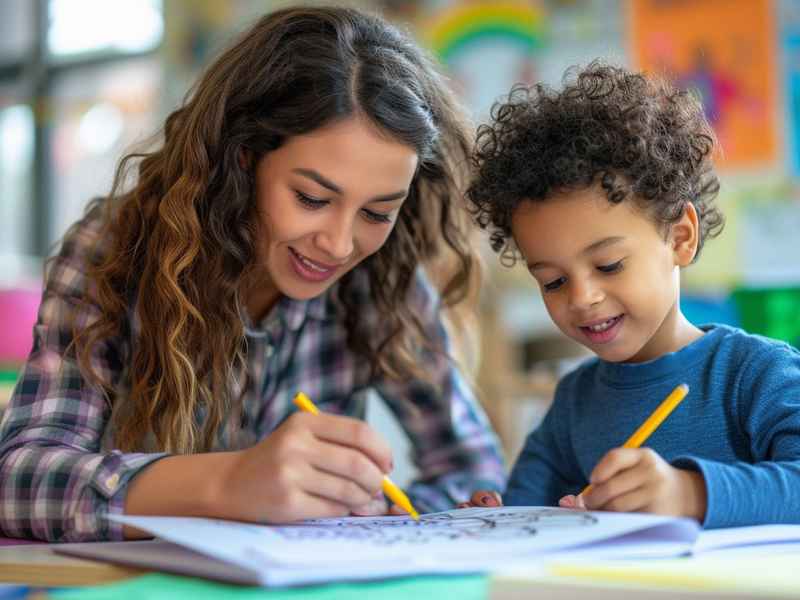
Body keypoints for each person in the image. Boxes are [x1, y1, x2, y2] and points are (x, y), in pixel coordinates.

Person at [0, 6, 505, 543]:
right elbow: (16, 483)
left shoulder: (382, 275)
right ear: (243, 158)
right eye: (312, 198)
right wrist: (228, 483)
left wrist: (383, 513)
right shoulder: (114, 250)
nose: (339, 244)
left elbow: (472, 469)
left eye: (377, 212)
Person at [462, 62, 800, 528]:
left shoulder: (755, 375)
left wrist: (691, 493)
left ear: (680, 238)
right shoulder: (574, 402)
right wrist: (494, 520)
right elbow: (529, 513)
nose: (582, 297)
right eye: (553, 281)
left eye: (608, 266)